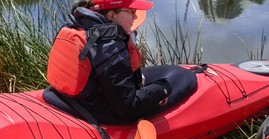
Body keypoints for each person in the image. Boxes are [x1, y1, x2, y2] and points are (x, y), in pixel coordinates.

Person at [43, 0, 197, 125]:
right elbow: (128, 108)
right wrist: (163, 89)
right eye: (131, 12)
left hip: (66, 98)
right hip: (99, 109)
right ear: (111, 15)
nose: (135, 17)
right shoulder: (108, 43)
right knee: (186, 77)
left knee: (173, 72)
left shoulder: (78, 24)